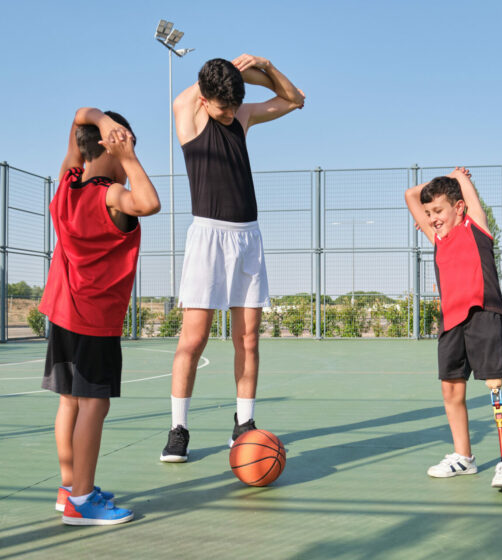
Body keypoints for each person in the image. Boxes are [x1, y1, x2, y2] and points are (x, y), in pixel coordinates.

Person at [160, 54, 305, 462]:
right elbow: (190, 95)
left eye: (232, 105)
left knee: (248, 338)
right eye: (222, 106)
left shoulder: (240, 117)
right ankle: (178, 429)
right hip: (208, 237)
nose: (229, 113)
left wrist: (267, 67)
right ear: (204, 100)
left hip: (247, 238)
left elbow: (295, 100)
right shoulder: (188, 116)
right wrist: (230, 69)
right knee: (193, 339)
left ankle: (243, 425)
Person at [39, 107, 161, 524]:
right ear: (109, 147)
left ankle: (69, 486)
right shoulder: (108, 195)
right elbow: (149, 202)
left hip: (62, 311)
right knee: (94, 405)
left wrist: (97, 122)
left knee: (70, 402)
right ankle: (82, 501)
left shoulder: (68, 185)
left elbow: (77, 118)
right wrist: (128, 155)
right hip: (94, 318)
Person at [404, 167, 502, 488]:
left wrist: (459, 179)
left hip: (483, 313)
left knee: (492, 383)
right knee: (450, 389)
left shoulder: (477, 227)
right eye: (428, 213)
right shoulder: (437, 237)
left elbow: (467, 197)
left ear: (459, 208)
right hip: (451, 320)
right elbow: (410, 196)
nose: (432, 217)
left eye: (438, 211)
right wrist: (443, 181)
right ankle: (463, 457)